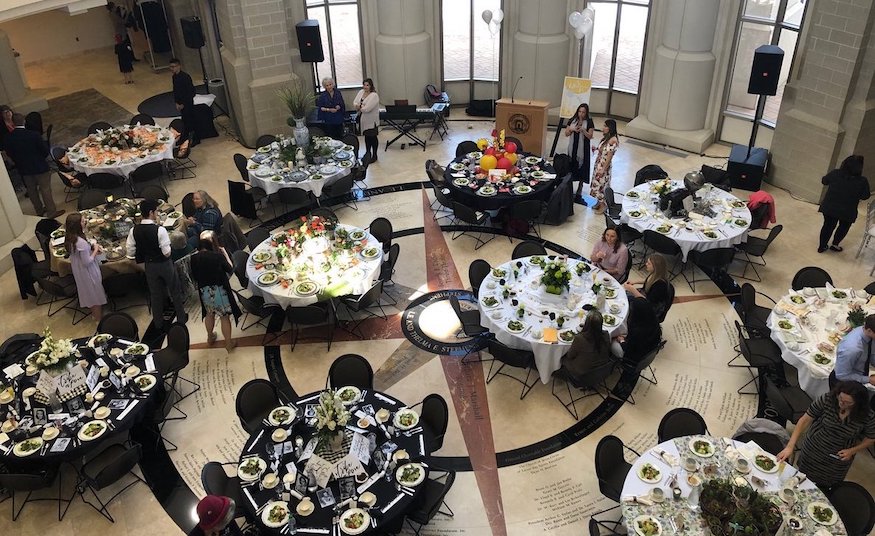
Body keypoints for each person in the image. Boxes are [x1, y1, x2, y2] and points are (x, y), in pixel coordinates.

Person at [776, 381, 875, 489]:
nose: (842, 403)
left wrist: (852, 450)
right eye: (840, 399)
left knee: (827, 487)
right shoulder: (828, 399)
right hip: (813, 448)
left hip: (837, 459)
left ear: (858, 403)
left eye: (848, 403)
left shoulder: (867, 416)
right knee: (800, 479)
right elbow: (804, 420)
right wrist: (790, 446)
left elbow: (871, 438)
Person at [126, 198, 188, 331]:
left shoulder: (133, 231)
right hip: (164, 264)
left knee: (155, 295)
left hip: (149, 265)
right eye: (156, 211)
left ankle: (158, 323)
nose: (157, 214)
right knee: (174, 290)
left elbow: (130, 253)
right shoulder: (160, 230)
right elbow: (166, 253)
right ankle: (181, 318)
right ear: (151, 213)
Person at [4, 113, 63, 218]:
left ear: (13, 123)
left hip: (24, 169)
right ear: (24, 122)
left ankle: (39, 211)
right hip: (40, 167)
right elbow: (45, 151)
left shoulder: (9, 138)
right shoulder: (34, 135)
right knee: (45, 190)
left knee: (32, 191)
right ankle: (51, 212)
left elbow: (9, 154)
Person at [190, 237, 240, 352]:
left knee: (209, 314)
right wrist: (225, 254)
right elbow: (230, 269)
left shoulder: (193, 259)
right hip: (219, 290)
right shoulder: (217, 256)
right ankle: (228, 343)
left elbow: (195, 276)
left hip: (204, 291)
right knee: (224, 317)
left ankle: (210, 337)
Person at [817, 155, 869, 253]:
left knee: (828, 226)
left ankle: (822, 246)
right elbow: (865, 196)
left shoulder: (835, 173)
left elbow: (824, 181)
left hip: (830, 206)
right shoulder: (862, 181)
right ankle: (835, 244)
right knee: (844, 227)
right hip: (847, 210)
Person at [64, 213, 107, 321]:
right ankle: (98, 319)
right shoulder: (80, 243)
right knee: (95, 296)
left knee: (89, 293)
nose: (85, 222)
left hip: (79, 270)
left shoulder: (70, 238)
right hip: (87, 272)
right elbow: (87, 262)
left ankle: (95, 315)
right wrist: (96, 249)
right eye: (83, 221)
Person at [558, 310, 612, 379]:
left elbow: (570, 356)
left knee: (560, 356)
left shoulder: (580, 339)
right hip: (602, 369)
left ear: (587, 324)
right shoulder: (606, 334)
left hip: (584, 374)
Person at [612, 297, 662, 363]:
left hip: (633, 358)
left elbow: (628, 349)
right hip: (647, 352)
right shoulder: (654, 322)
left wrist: (621, 340)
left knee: (613, 342)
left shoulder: (637, 331)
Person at [623, 254, 671, 321]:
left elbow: (647, 302)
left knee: (627, 301)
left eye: (649, 263)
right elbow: (649, 280)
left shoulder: (660, 285)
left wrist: (632, 290)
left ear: (655, 267)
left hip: (652, 307)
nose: (646, 264)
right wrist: (635, 281)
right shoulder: (655, 275)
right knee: (624, 295)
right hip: (647, 296)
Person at [834, 314, 875, 386]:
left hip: (859, 374)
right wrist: (869, 379)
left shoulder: (868, 334)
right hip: (844, 384)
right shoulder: (852, 348)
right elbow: (842, 375)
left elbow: (871, 353)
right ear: (869, 330)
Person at [589, 119, 619, 213]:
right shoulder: (606, 138)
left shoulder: (613, 140)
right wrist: (597, 149)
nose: (603, 128)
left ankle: (603, 205)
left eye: (605, 126)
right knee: (596, 183)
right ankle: (598, 202)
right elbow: (604, 150)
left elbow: (609, 156)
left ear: (610, 128)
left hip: (603, 166)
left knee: (600, 185)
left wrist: (603, 170)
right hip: (598, 164)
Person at [564, 103, 595, 196]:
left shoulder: (589, 122)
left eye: (583, 112)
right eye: (580, 111)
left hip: (583, 149)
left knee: (582, 167)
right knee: (571, 166)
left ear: (586, 113)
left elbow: (590, 136)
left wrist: (583, 130)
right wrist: (572, 129)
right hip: (573, 148)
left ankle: (580, 186)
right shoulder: (572, 120)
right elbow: (566, 133)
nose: (581, 114)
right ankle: (569, 185)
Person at [170, 58, 197, 143]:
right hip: (181, 103)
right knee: (185, 121)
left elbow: (190, 92)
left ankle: (193, 139)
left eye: (174, 66)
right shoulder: (174, 77)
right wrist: (177, 102)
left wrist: (183, 104)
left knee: (190, 121)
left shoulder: (185, 77)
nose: (172, 69)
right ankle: (185, 138)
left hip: (187, 103)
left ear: (179, 66)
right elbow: (176, 91)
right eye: (170, 67)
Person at [354, 78, 380, 163]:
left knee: (372, 137)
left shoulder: (374, 95)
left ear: (371, 86)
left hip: (371, 120)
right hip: (363, 120)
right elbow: (355, 102)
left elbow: (367, 108)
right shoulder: (361, 92)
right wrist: (359, 106)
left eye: (367, 85)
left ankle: (375, 155)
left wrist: (360, 107)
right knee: (367, 137)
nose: (365, 87)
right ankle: (368, 153)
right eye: (364, 85)